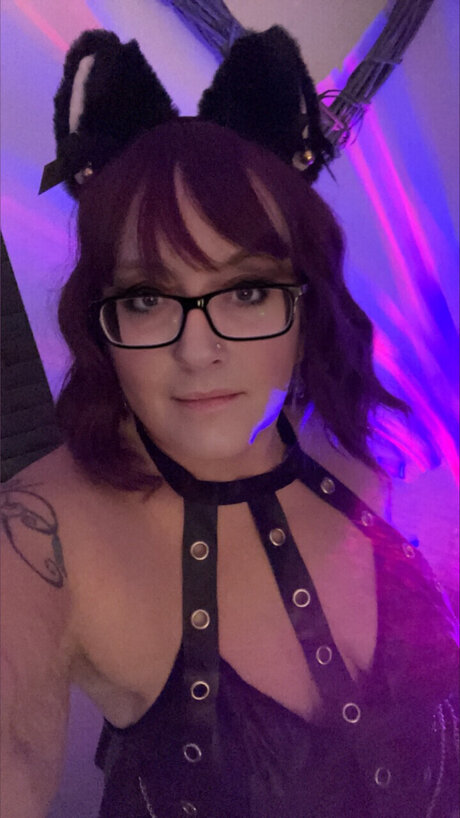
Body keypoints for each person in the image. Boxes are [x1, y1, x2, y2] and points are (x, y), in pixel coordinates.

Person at [1, 28, 458, 818]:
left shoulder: (379, 454)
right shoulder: (42, 535)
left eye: (246, 292)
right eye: (148, 299)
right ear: (101, 322)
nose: (198, 351)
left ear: (305, 300)